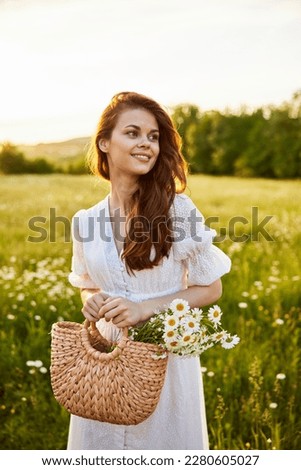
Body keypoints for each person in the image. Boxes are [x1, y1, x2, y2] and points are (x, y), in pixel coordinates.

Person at [67, 91, 231, 450]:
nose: (146, 144)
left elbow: (210, 288)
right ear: (105, 143)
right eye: (133, 133)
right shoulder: (85, 221)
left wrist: (144, 308)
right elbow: (89, 285)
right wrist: (93, 302)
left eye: (153, 137)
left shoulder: (178, 210)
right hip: (105, 360)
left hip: (165, 356)